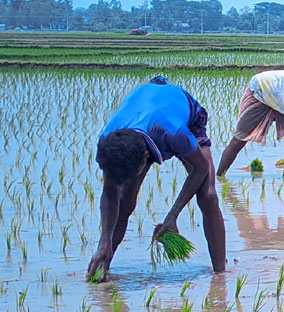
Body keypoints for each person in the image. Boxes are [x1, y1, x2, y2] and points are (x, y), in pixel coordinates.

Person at [88, 76, 226, 280]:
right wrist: (104, 240)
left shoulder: (175, 133)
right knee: (125, 201)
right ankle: (102, 265)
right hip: (143, 118)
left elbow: (201, 168)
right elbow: (109, 191)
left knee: (208, 195)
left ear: (146, 158)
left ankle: (220, 274)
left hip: (181, 115)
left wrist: (172, 217)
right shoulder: (109, 142)